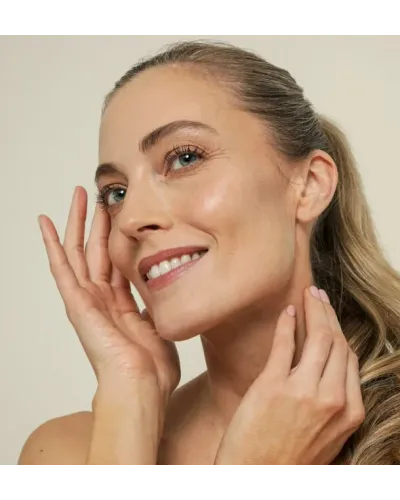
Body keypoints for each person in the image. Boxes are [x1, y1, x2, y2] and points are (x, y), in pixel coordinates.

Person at [17, 40, 400, 467]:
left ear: (309, 185)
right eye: (116, 193)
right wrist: (130, 400)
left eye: (184, 158)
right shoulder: (67, 455)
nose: (130, 218)